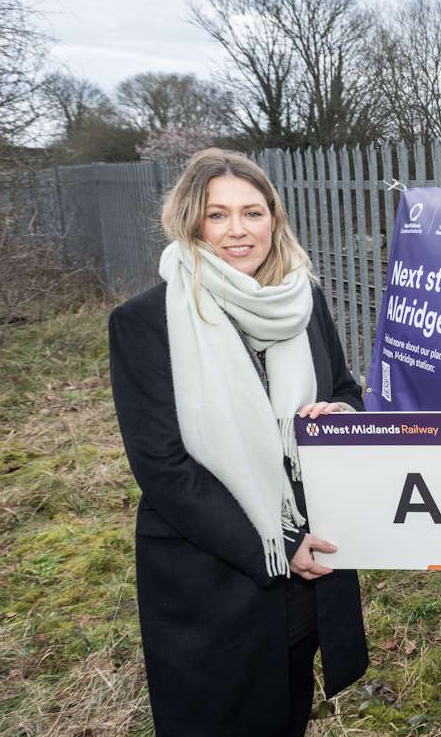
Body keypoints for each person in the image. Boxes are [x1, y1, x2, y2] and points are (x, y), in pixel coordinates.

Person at [108, 149, 368, 735]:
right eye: (218, 215)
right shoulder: (147, 322)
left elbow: (347, 389)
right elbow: (163, 466)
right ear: (191, 221)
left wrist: (340, 412)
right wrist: (273, 544)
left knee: (289, 709)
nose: (237, 231)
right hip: (213, 577)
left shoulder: (303, 301)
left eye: (252, 213)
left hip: (307, 566)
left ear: (273, 219)